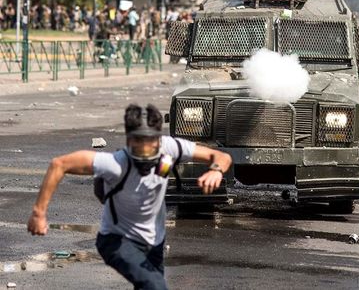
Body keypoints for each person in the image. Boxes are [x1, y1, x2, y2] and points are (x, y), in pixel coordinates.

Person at [27, 103, 232, 290]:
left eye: (150, 143)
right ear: (128, 139)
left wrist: (215, 170)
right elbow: (59, 164)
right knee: (156, 287)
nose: (144, 151)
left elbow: (222, 157)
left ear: (158, 139)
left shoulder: (171, 147)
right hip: (117, 241)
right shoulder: (114, 164)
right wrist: (39, 213)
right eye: (138, 143)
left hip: (155, 241)